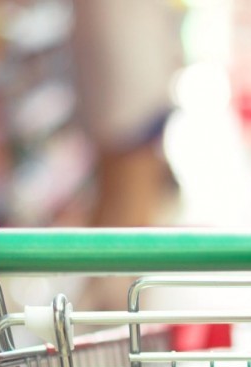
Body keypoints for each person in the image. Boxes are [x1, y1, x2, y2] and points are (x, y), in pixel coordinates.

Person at [70, 0, 183, 227]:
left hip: (119, 82)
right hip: (131, 84)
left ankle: (88, 260)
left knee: (114, 193)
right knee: (132, 202)